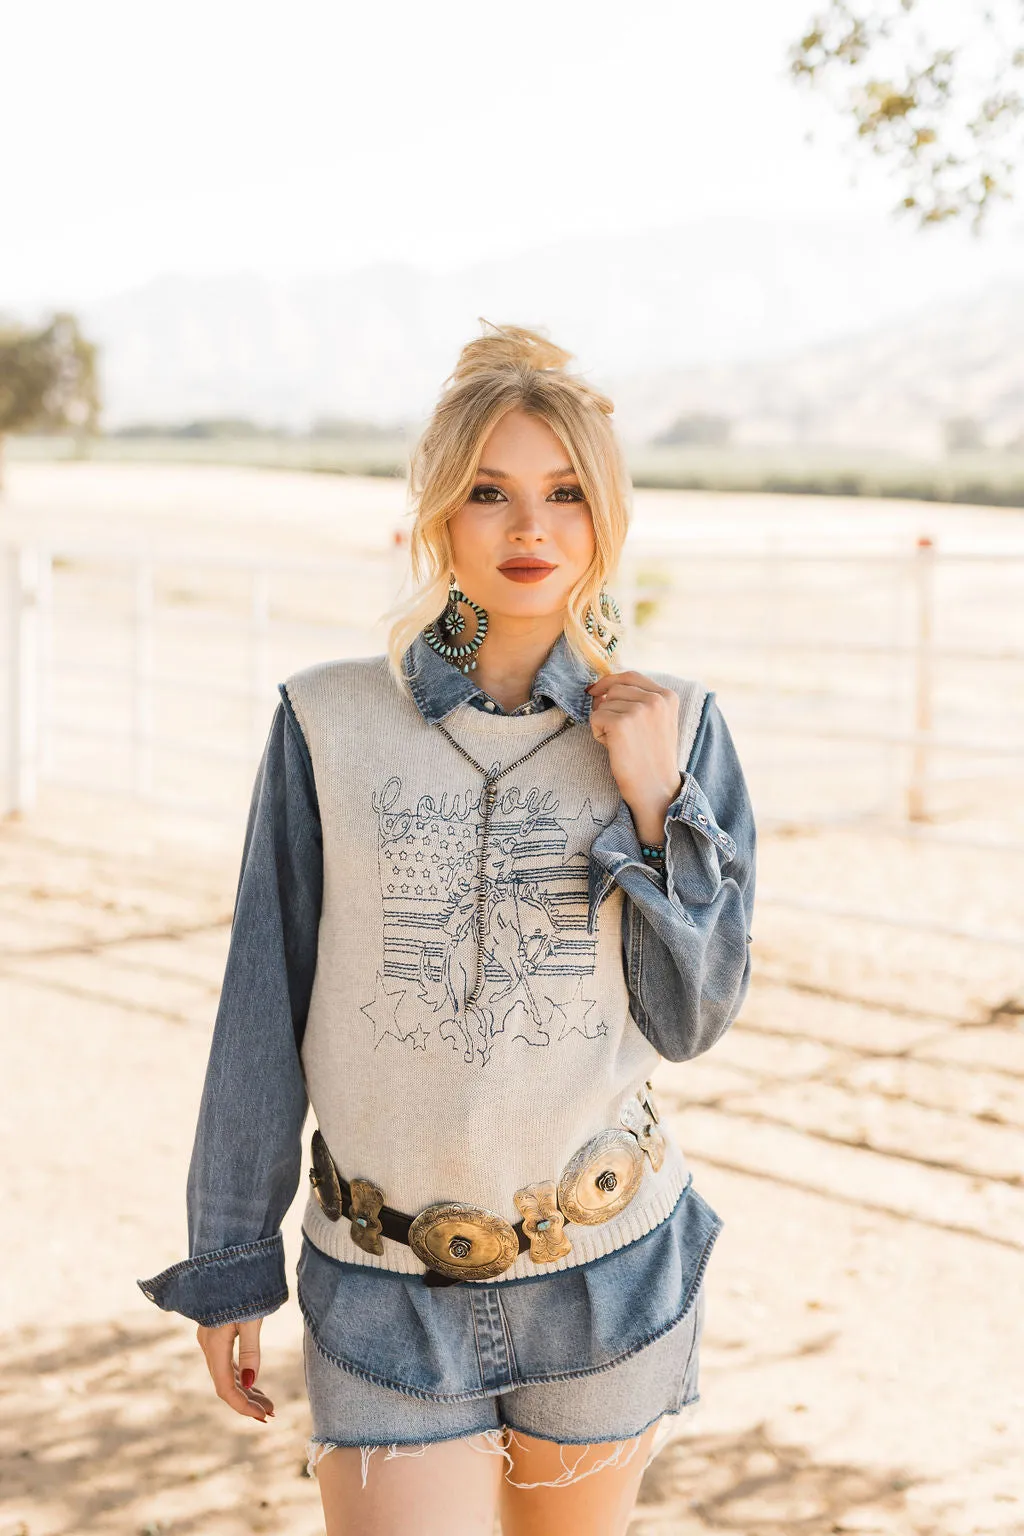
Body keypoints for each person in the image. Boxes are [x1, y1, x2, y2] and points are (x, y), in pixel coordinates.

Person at [138, 320, 756, 1536]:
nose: (531, 530)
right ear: (438, 514)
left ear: (604, 516)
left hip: (606, 1274)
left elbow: (691, 1022)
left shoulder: (675, 731)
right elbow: (261, 1003)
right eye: (490, 492)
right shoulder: (325, 721)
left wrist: (652, 804)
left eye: (565, 494)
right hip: (381, 1288)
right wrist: (229, 1258)